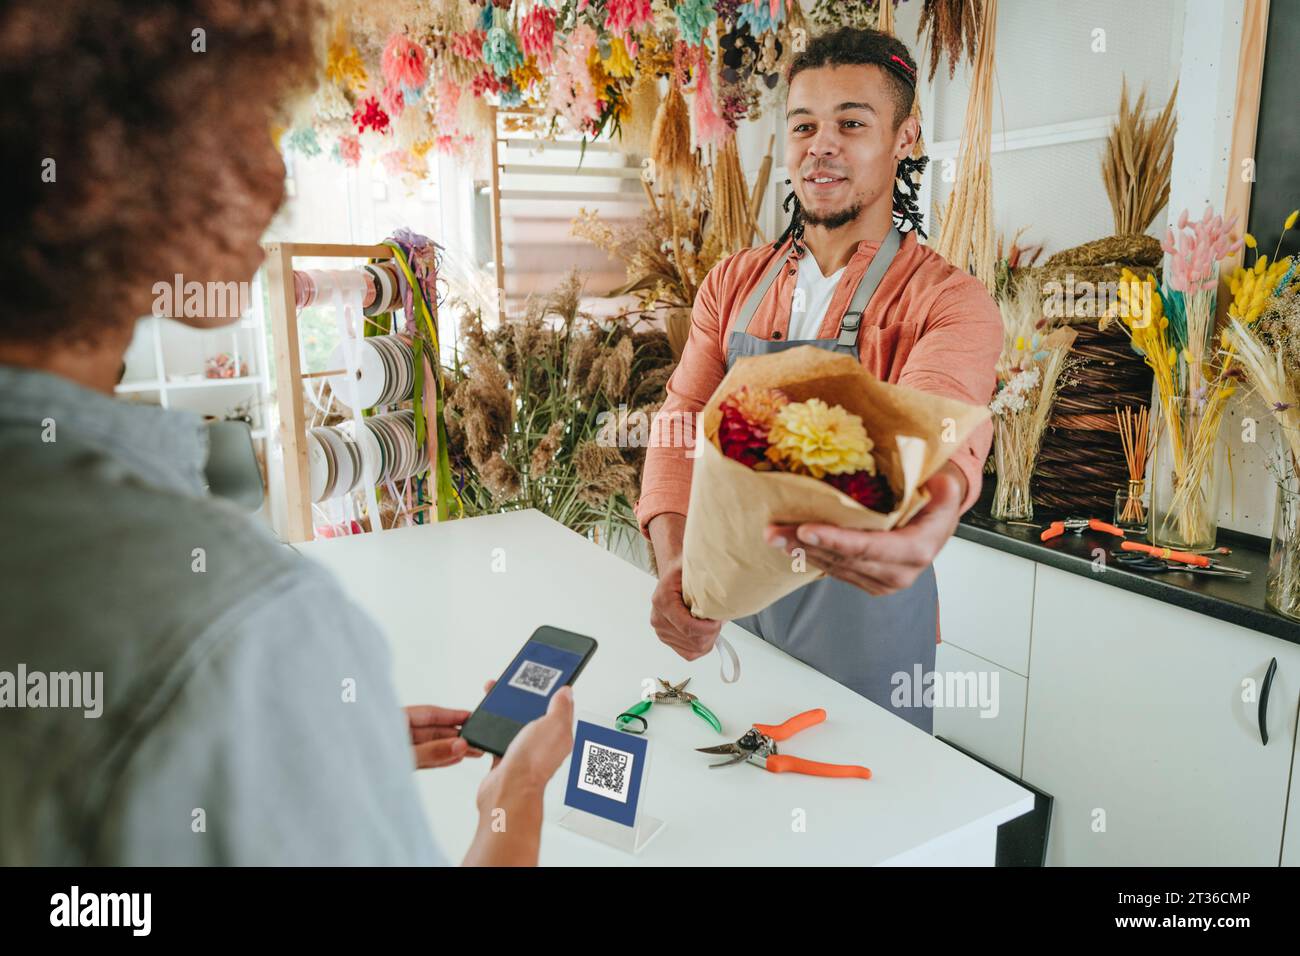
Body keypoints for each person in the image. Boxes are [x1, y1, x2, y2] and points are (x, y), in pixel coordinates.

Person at [0, 0, 571, 865]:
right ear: (94, 165)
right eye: (242, 120)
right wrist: (513, 799)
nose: (278, 182)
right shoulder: (236, 624)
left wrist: (301, 762)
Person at [637, 27, 1003, 733]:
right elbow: (682, 419)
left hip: (865, 635)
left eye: (852, 124)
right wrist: (678, 570)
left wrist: (927, 520)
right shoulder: (734, 283)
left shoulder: (947, 302)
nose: (821, 144)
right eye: (803, 125)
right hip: (734, 614)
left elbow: (938, 437)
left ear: (905, 138)